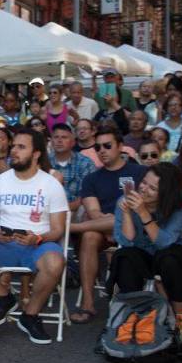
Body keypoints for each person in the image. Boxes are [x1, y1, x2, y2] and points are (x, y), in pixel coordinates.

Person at [0, 129, 69, 344]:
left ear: (36, 153)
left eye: (21, 147)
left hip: (38, 245)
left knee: (56, 262)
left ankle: (29, 315)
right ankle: (4, 296)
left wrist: (37, 239)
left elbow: (58, 229)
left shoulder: (51, 184)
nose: (14, 151)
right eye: (14, 147)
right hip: (5, 243)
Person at [69, 127, 147, 323]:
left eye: (107, 145)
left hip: (136, 228)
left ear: (121, 147)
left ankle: (71, 228)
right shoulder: (92, 178)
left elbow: (143, 208)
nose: (102, 150)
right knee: (89, 235)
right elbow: (94, 212)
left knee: (120, 217)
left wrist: (117, 225)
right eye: (97, 147)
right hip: (103, 230)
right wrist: (110, 226)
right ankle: (88, 303)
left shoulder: (140, 172)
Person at [109, 163, 182, 324]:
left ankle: (181, 319)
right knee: (124, 257)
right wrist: (127, 213)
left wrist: (143, 213)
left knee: (170, 259)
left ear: (166, 193)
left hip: (171, 256)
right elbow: (126, 241)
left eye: (152, 188)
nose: (144, 189)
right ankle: (134, 317)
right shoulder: (124, 200)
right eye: (144, 182)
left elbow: (164, 243)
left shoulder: (179, 207)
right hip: (142, 254)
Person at [48, 123, 96, 212]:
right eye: (56, 137)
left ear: (73, 142)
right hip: (47, 211)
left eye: (64, 137)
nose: (59, 140)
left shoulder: (85, 163)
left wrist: (63, 210)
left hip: (76, 212)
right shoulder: (43, 163)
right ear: (51, 141)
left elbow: (87, 195)